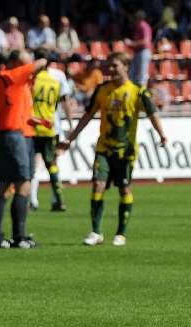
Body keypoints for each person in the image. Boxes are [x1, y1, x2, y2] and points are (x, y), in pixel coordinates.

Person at [57, 52, 168, 247]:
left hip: (126, 151)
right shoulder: (102, 90)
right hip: (104, 149)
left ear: (126, 66)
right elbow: (87, 116)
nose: (111, 69)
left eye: (115, 65)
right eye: (109, 65)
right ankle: (96, 232)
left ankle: (120, 233)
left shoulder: (137, 92)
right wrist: (70, 138)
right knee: (98, 185)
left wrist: (162, 135)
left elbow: (152, 114)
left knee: (124, 189)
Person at [0, 49, 48, 249]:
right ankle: (18, 236)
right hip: (14, 136)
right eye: (24, 64)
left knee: (7, 185)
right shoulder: (13, 76)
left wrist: (31, 120)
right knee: (23, 183)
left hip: (12, 133)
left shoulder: (6, 82)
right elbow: (41, 63)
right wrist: (43, 58)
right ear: (14, 63)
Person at [30, 48, 72, 212]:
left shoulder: (33, 78)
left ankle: (33, 200)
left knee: (33, 164)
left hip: (33, 126)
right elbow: (65, 100)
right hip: (51, 126)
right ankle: (58, 199)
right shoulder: (57, 78)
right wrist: (70, 123)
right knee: (52, 163)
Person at [125, 10, 152, 87]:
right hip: (138, 52)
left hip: (143, 52)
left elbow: (145, 41)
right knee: (132, 75)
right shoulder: (139, 26)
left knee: (142, 75)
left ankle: (141, 92)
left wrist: (131, 43)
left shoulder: (143, 25)